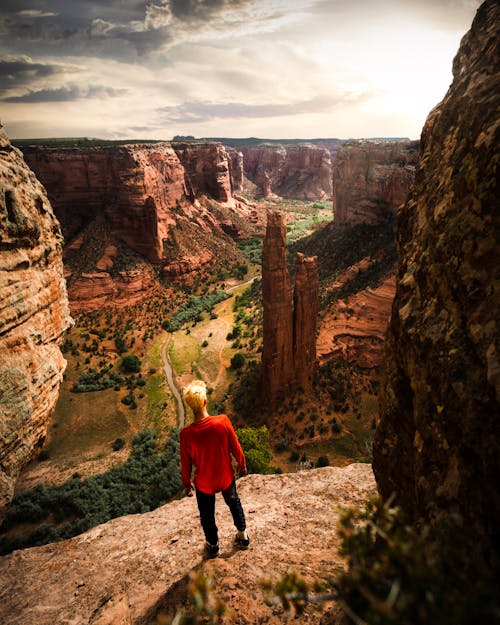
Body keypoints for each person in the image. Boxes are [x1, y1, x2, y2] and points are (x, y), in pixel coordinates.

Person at [180, 379, 250, 557]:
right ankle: (243, 536)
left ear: (190, 406)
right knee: (234, 503)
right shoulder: (222, 421)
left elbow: (185, 462)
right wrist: (242, 464)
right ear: (205, 401)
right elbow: (236, 447)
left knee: (207, 515)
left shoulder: (186, 435)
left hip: (204, 483)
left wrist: (186, 483)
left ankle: (213, 545)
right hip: (225, 476)